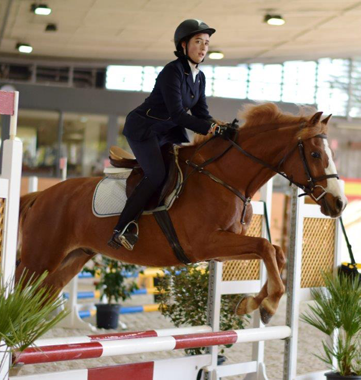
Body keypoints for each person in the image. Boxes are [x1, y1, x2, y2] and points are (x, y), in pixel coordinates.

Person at [108, 19, 222, 251]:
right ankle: (121, 229)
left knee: (182, 167)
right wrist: (206, 128)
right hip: (144, 128)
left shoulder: (199, 77)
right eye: (198, 41)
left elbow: (202, 114)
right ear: (183, 45)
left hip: (166, 131)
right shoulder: (172, 71)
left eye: (207, 43)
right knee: (157, 175)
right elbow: (178, 114)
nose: (203, 47)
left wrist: (222, 127)